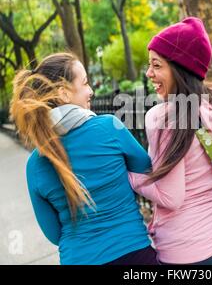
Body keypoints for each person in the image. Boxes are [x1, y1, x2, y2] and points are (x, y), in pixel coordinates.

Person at [129, 17, 212, 265]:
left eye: (157, 65)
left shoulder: (163, 118)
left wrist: (130, 176)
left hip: (189, 254)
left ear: (180, 68)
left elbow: (170, 197)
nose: (148, 73)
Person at [10, 53, 158, 265]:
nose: (91, 91)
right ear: (64, 93)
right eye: (85, 83)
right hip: (133, 254)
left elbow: (54, 233)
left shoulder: (35, 164)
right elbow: (147, 170)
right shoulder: (109, 127)